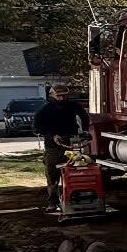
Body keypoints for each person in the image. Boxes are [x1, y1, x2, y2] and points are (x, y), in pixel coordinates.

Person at [35, 83, 86, 211]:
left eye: (64, 95)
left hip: (72, 144)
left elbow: (84, 117)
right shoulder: (45, 110)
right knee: (52, 175)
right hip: (53, 146)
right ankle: (53, 202)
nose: (62, 98)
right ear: (52, 95)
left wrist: (85, 131)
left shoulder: (73, 106)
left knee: (75, 173)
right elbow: (36, 128)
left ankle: (76, 200)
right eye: (59, 96)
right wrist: (52, 135)